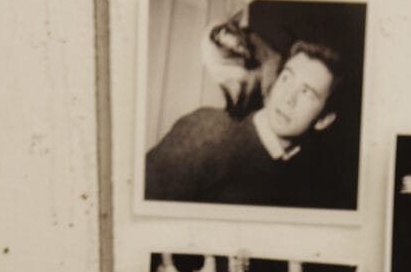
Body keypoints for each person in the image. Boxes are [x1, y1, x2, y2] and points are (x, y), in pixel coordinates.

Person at [144, 39, 347, 209]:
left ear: (324, 120)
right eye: (286, 78)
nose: (288, 98)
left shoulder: (312, 181)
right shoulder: (206, 131)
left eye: (306, 93)